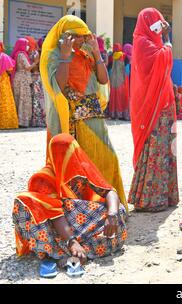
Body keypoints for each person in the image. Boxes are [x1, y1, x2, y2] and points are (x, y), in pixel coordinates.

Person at [40, 15, 127, 208]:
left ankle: (109, 206)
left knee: (108, 158)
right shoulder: (53, 56)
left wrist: (96, 54)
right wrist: (64, 57)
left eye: (83, 36)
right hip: (73, 121)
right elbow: (59, 87)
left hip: (94, 117)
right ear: (63, 36)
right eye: (75, 36)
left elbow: (103, 80)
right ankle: (85, 209)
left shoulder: (86, 54)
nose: (80, 40)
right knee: (80, 165)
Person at [12, 134, 127, 271]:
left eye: (68, 154)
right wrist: (71, 241)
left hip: (82, 225)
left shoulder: (81, 167)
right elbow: (55, 215)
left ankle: (79, 253)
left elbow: (109, 191)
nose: (64, 159)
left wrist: (112, 215)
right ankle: (64, 252)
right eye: (59, 155)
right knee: (24, 202)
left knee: (118, 209)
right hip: (57, 233)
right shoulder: (44, 178)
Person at [128, 8, 179, 212]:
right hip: (152, 107)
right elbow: (162, 60)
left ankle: (165, 195)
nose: (159, 26)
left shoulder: (154, 44)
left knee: (166, 148)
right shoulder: (142, 43)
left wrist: (163, 41)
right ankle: (150, 198)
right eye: (155, 22)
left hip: (164, 104)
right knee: (155, 147)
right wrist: (167, 38)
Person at [11, 38, 39, 127]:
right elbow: (27, 67)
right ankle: (22, 122)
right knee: (24, 100)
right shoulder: (21, 55)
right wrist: (36, 63)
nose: (27, 46)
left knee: (19, 99)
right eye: (26, 44)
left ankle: (18, 121)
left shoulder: (17, 54)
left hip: (19, 78)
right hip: (22, 79)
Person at [25, 36, 46, 128]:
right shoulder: (36, 53)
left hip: (35, 77)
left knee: (36, 99)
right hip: (37, 77)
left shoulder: (33, 53)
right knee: (38, 99)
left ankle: (37, 120)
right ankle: (39, 120)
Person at [107, 43, 130, 120]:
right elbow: (127, 70)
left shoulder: (111, 56)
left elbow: (109, 68)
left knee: (114, 97)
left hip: (113, 81)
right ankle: (122, 114)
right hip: (122, 80)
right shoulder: (124, 56)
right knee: (122, 97)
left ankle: (113, 114)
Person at [0, 41, 19, 129]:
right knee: (5, 101)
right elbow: (10, 69)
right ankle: (6, 123)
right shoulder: (4, 57)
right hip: (3, 82)